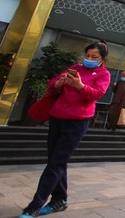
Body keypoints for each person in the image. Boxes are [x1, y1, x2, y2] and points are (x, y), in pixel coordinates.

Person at [19, 40, 111, 218]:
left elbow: (97, 94)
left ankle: (34, 206)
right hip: (57, 117)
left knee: (56, 163)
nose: (89, 59)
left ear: (102, 59)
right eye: (87, 55)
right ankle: (60, 200)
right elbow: (52, 83)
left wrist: (80, 86)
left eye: (94, 57)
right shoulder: (76, 67)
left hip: (77, 122)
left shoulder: (104, 74)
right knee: (56, 160)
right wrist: (58, 83)